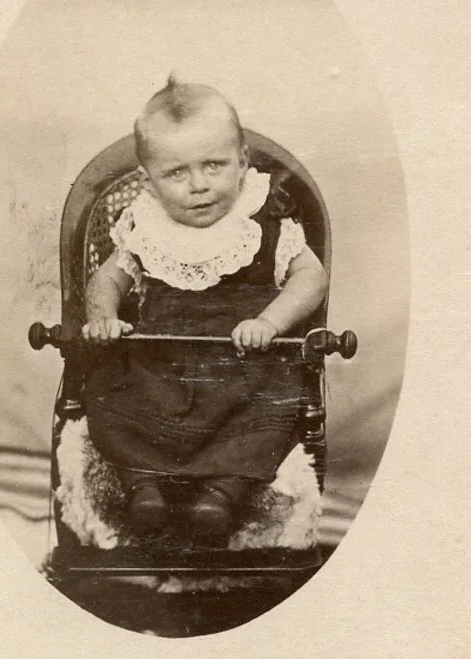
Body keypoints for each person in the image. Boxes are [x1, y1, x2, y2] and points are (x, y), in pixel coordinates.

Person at [81, 77, 328, 543]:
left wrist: (269, 322)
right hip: (159, 371)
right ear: (148, 180)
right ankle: (143, 485)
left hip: (244, 369)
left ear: (243, 161)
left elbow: (310, 277)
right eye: (176, 173)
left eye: (214, 165)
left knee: (273, 410)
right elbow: (106, 278)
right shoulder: (144, 224)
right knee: (107, 394)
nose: (199, 186)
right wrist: (103, 318)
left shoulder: (264, 217)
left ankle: (222, 493)